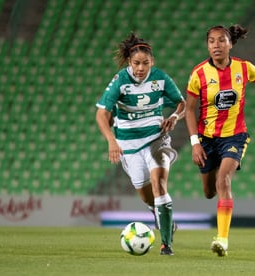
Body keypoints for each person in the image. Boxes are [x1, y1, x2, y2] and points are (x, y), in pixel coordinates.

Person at [184, 24, 255, 257]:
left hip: (235, 135)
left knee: (224, 180)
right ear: (207, 45)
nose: (216, 45)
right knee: (209, 191)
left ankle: (222, 239)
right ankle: (220, 225)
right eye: (211, 41)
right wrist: (195, 143)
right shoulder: (198, 74)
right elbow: (190, 110)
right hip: (206, 138)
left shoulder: (244, 68)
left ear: (230, 44)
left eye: (221, 40)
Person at [96, 32, 186, 255]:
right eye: (136, 63)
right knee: (147, 196)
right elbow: (101, 115)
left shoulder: (160, 78)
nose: (141, 68)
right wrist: (111, 141)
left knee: (159, 183)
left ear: (152, 62)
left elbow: (182, 104)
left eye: (145, 63)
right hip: (128, 144)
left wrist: (174, 117)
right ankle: (160, 216)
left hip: (157, 138)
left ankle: (166, 244)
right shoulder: (120, 81)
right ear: (129, 62)